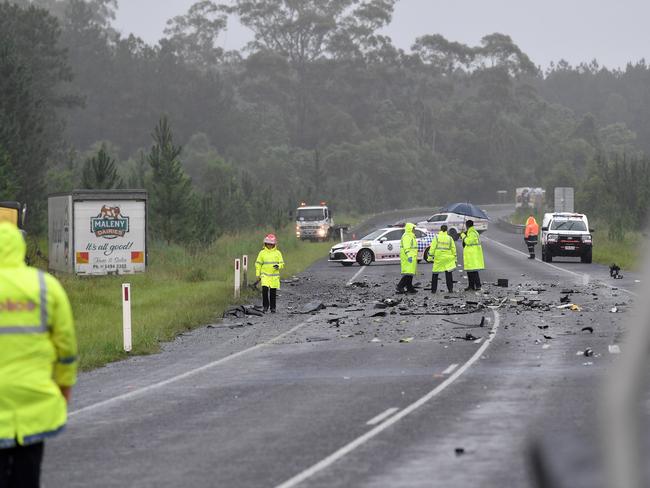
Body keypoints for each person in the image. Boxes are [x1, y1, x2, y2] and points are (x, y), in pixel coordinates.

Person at [0, 222, 77, 488]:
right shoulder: (46, 287)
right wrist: (64, 388)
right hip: (33, 405)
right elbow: (66, 348)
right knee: (27, 479)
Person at [255, 233, 285, 313]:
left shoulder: (278, 253)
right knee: (264, 291)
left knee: (273, 292)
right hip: (264, 275)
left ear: (274, 244)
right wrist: (258, 274)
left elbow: (282, 264)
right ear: (265, 243)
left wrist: (278, 266)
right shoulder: (262, 253)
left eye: (271, 244)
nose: (269, 245)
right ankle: (265, 306)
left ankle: (273, 307)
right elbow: (258, 264)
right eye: (268, 244)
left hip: (274, 277)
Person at [427, 224, 457, 293]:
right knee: (448, 274)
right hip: (448, 258)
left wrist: (430, 258)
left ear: (440, 229)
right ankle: (450, 289)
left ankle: (433, 290)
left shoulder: (437, 237)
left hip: (439, 258)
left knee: (435, 273)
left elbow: (432, 248)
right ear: (447, 230)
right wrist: (455, 258)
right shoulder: (450, 238)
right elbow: (453, 249)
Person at [460, 220, 484, 291]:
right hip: (471, 254)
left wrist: (463, 236)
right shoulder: (471, 232)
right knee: (470, 271)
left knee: (473, 271)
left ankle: (478, 285)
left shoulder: (472, 233)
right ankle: (471, 286)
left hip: (472, 255)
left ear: (467, 226)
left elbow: (468, 242)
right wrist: (464, 235)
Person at [396, 223, 418, 294]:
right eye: (413, 228)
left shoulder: (411, 236)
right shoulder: (407, 236)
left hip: (411, 256)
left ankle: (409, 287)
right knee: (408, 273)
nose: (414, 230)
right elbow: (407, 247)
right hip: (408, 256)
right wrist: (409, 255)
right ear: (410, 229)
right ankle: (400, 286)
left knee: (410, 273)